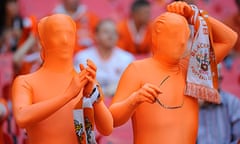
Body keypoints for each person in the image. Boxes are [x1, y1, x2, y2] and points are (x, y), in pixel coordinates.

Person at [109, 1, 237, 144]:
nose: (182, 42)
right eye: (175, 34)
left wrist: (194, 16)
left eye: (186, 35)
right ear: (157, 36)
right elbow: (112, 120)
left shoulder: (192, 67)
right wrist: (134, 100)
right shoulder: (137, 69)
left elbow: (229, 39)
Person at [11, 14, 113, 144]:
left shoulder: (84, 79)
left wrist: (95, 98)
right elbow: (21, 117)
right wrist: (67, 95)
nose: (65, 40)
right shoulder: (25, 82)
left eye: (70, 34)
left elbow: (107, 129)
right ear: (44, 40)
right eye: (57, 34)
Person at [74, 19, 134, 97]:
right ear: (96, 35)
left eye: (114, 33)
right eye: (106, 32)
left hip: (117, 102)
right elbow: (78, 85)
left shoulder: (127, 58)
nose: (111, 36)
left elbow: (130, 85)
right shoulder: (83, 57)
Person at [197, 64, 240, 144]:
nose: (217, 84)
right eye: (212, 79)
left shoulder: (233, 104)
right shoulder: (190, 107)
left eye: (219, 79)